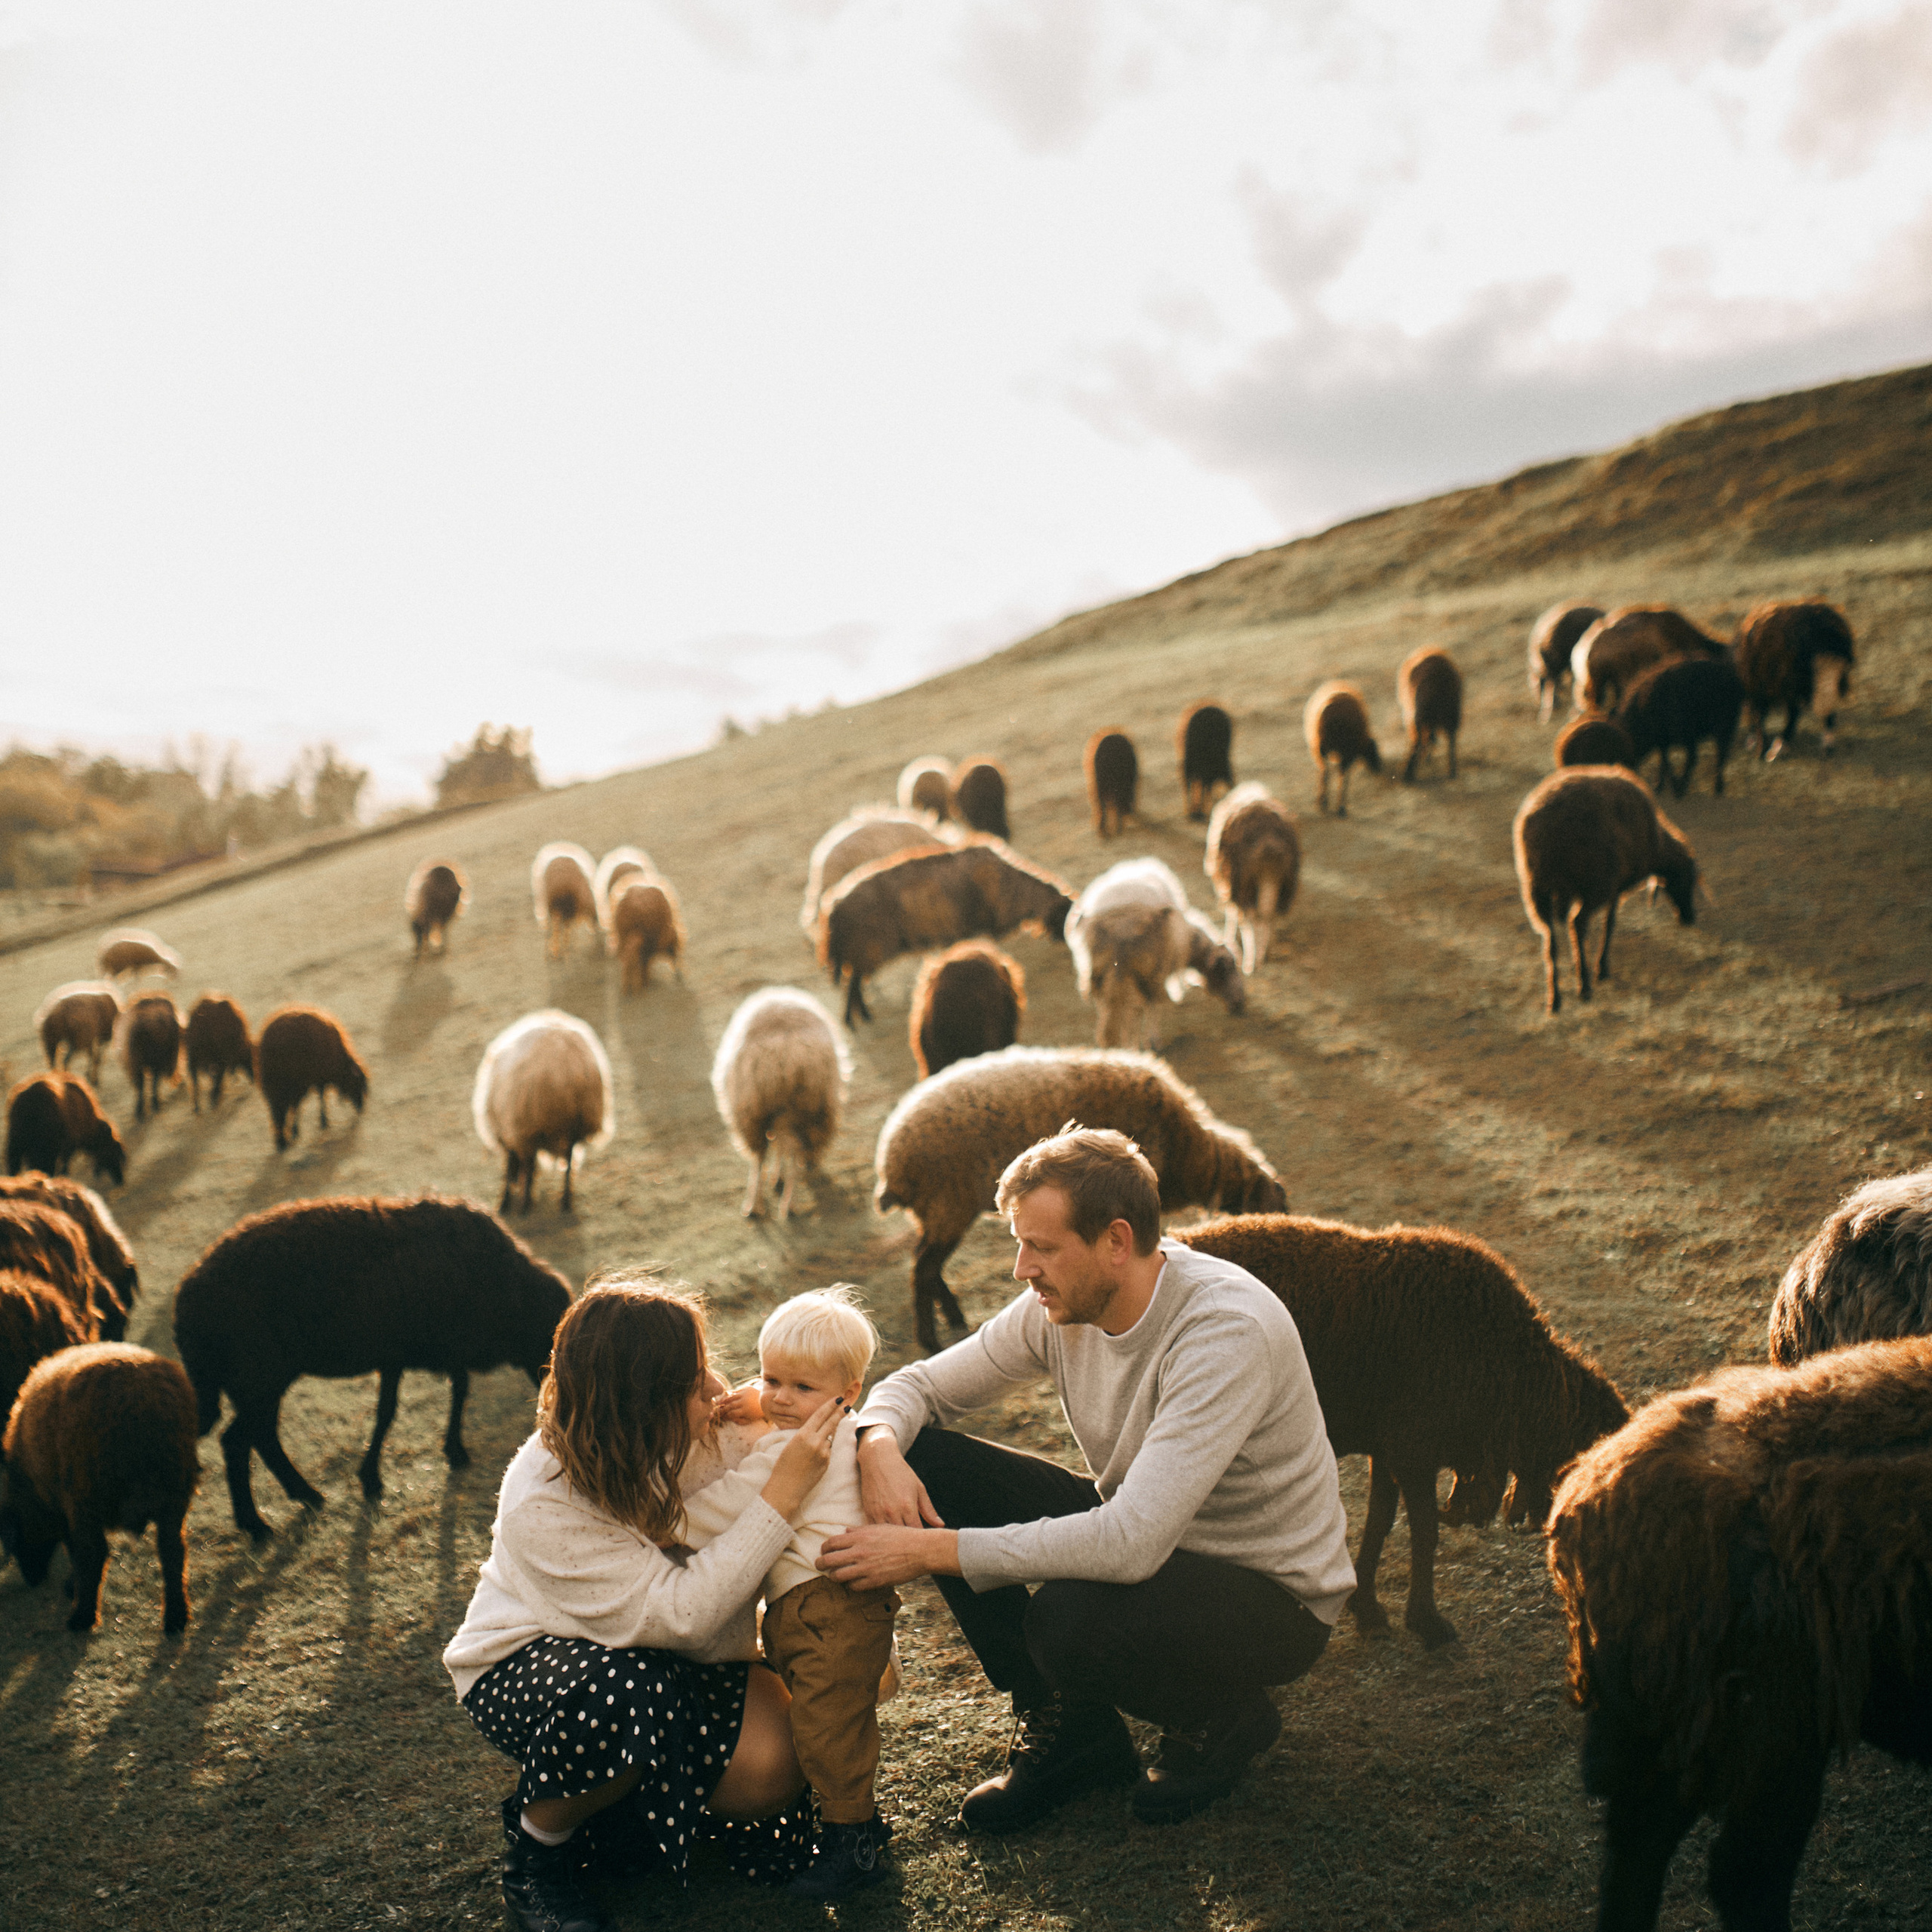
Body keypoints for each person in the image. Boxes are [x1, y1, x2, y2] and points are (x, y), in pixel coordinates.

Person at [819, 1126, 1355, 1828]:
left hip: (1267, 1595)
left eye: (1041, 1246)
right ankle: (1074, 1733)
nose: (1021, 1269)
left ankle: (1223, 1715)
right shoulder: (1066, 1303)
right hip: (1149, 1526)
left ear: (1116, 1241)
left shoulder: (1224, 1330)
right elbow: (921, 1386)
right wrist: (879, 1442)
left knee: (1066, 1622)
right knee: (927, 1458)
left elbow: (1130, 1544)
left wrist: (928, 1551)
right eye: (1019, 1243)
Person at [443, 1273, 842, 1932]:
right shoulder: (544, 1496)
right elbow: (685, 1619)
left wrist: (878, 1444)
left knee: (781, 1763)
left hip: (672, 1652)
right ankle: (537, 1854)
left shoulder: (699, 1430)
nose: (715, 1390)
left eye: (705, 1367)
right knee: (622, 1694)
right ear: (642, 1402)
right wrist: (782, 1497)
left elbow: (836, 1417)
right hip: (539, 1665)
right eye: (693, 1382)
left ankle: (623, 1816)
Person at [682, 1285, 901, 1900]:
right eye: (770, 1377)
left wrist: (666, 1519)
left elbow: (728, 1506)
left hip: (821, 1610)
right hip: (829, 1610)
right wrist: (756, 1403)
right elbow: (781, 1408)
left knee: (827, 1729)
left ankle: (851, 1842)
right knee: (826, 1721)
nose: (779, 1398)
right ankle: (856, 1822)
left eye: (800, 1389)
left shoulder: (795, 1450)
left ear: (848, 1391)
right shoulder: (845, 1427)